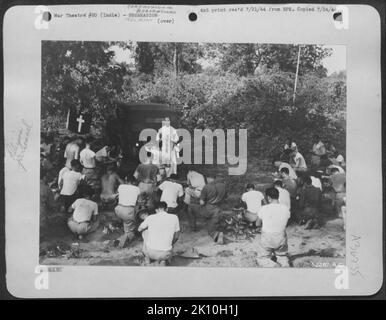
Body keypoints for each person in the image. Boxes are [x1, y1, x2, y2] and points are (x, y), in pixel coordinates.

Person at [138, 201, 180, 266]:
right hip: (166, 254)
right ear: (167, 209)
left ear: (156, 210)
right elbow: (177, 236)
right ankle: (163, 260)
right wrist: (171, 244)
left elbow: (139, 229)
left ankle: (147, 258)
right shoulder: (174, 217)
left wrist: (147, 224)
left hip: (151, 253)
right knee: (171, 235)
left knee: (145, 231)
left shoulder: (150, 217)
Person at [257, 188, 290, 267]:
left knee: (262, 258)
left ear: (268, 197)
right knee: (282, 256)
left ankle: (272, 265)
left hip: (267, 237)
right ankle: (284, 263)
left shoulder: (263, 208)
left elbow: (257, 223)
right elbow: (286, 223)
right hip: (281, 237)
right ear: (278, 196)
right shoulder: (286, 208)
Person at [198, 174, 227, 243]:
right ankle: (219, 228)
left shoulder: (206, 187)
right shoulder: (223, 186)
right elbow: (225, 197)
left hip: (209, 208)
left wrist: (200, 198)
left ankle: (216, 234)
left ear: (208, 178)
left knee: (210, 226)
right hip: (219, 207)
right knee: (215, 220)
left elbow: (202, 202)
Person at [114, 177, 141, 248]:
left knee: (125, 222)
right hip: (128, 210)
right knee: (130, 231)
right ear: (134, 182)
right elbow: (138, 202)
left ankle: (122, 234)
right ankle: (121, 241)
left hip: (118, 209)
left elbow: (117, 196)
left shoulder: (121, 186)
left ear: (126, 181)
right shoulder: (137, 189)